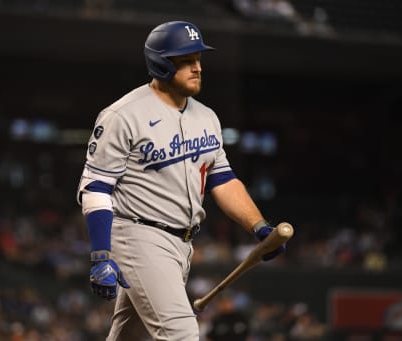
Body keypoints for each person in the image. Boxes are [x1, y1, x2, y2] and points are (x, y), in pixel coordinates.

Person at [76, 20, 286, 341]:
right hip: (139, 235)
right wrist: (101, 255)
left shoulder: (207, 117)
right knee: (182, 334)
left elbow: (224, 180)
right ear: (161, 64)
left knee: (129, 337)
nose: (197, 68)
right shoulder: (123, 115)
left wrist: (259, 228)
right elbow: (96, 188)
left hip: (182, 243)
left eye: (198, 59)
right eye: (186, 61)